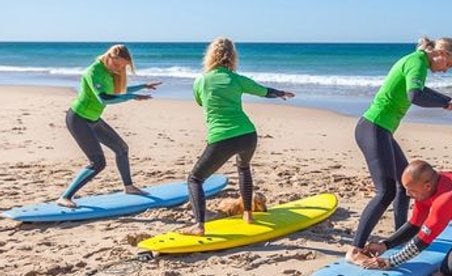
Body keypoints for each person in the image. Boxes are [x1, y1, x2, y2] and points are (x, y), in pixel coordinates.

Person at [346, 37, 452, 265]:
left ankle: (398, 237)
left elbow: (420, 90)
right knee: (385, 192)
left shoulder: (419, 62)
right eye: (448, 65)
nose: (445, 71)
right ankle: (355, 249)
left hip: (381, 130)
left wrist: (446, 100)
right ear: (442, 54)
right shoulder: (417, 62)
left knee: (404, 186)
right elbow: (416, 95)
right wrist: (444, 103)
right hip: (373, 127)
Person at [181, 37, 294, 235]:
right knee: (243, 168)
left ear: (209, 56)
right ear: (232, 57)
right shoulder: (237, 79)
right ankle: (248, 214)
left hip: (222, 137)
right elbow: (264, 91)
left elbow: (200, 102)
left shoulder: (201, 80)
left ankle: (199, 225)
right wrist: (281, 92)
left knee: (195, 179)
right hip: (248, 135)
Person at [57, 44, 161, 208]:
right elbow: (104, 98)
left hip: (93, 119)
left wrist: (143, 86)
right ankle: (65, 197)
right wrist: (131, 96)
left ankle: (129, 187)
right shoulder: (94, 71)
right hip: (78, 119)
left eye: (123, 67)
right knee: (97, 162)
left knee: (122, 148)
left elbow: (117, 91)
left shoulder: (108, 72)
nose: (119, 69)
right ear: (111, 56)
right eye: (118, 64)